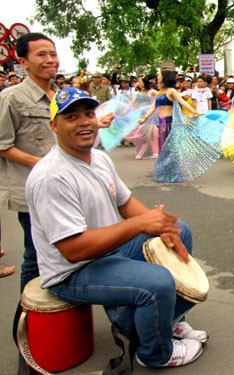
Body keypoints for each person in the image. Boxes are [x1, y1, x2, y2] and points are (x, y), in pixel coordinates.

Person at [26, 87, 207, 368]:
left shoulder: (98, 158)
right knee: (159, 283)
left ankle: (164, 322)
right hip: (72, 272)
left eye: (88, 113)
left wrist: (159, 224)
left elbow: (125, 203)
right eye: (71, 116)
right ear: (55, 126)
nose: (84, 121)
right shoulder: (52, 177)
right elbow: (73, 250)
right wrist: (140, 224)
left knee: (178, 231)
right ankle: (155, 354)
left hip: (106, 250)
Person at [0, 33, 60, 292]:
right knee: (35, 255)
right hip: (31, 190)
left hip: (63, 187)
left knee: (62, 252)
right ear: (23, 62)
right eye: (41, 55)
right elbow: (2, 145)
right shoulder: (11, 98)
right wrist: (41, 164)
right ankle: (29, 319)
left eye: (53, 54)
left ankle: (58, 310)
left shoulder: (62, 95)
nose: (50, 60)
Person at [139, 70, 198, 151]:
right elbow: (153, 107)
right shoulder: (160, 92)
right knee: (163, 147)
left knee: (168, 147)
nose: (158, 77)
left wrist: (195, 112)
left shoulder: (171, 90)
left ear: (164, 77)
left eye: (159, 75)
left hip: (168, 122)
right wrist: (144, 117)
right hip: (160, 122)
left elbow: (183, 102)